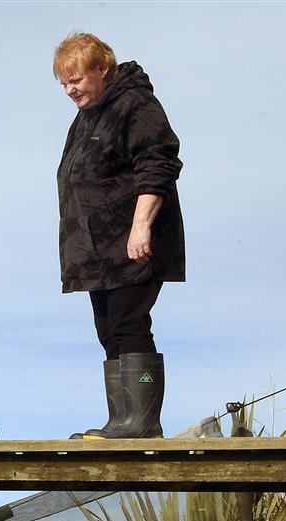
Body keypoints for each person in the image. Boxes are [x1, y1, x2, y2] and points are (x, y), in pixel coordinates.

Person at [54, 32, 184, 439]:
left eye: (76, 79)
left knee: (129, 324)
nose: (70, 89)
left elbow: (159, 163)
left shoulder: (134, 103)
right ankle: (123, 420)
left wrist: (141, 226)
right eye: (64, 83)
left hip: (132, 243)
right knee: (109, 330)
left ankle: (141, 423)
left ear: (102, 69)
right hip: (97, 253)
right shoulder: (88, 116)